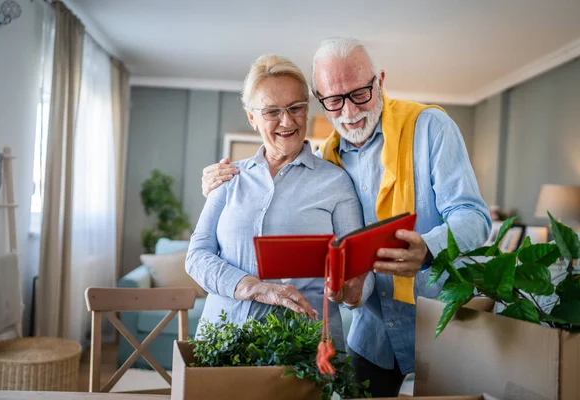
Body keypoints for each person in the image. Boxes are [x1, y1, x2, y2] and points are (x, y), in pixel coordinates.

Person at [201, 38, 491, 397]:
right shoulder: (329, 156)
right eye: (334, 100)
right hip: (373, 332)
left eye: (360, 94)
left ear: (380, 82)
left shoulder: (429, 128)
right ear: (321, 101)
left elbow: (474, 218)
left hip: (438, 321)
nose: (349, 111)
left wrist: (427, 249)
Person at [186, 54, 367, 353]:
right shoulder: (227, 177)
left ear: (307, 109)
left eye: (296, 108)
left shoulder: (336, 182)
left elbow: (357, 268)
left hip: (304, 349)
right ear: (252, 117)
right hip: (223, 341)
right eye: (272, 111)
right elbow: (196, 255)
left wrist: (354, 290)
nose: (287, 121)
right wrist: (255, 288)